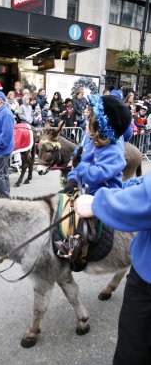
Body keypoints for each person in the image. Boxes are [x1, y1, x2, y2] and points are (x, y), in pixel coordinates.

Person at [74, 175, 151, 365]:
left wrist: (98, 202)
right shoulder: (89, 144)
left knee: (132, 350)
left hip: (147, 276)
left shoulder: (111, 147)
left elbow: (108, 168)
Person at [57, 94, 132, 256]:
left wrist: (80, 166)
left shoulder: (114, 152)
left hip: (105, 192)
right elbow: (79, 166)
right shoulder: (91, 142)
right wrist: (71, 179)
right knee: (63, 201)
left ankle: (78, 246)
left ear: (101, 126)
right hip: (87, 187)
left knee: (84, 209)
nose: (87, 118)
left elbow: (97, 175)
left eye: (91, 117)